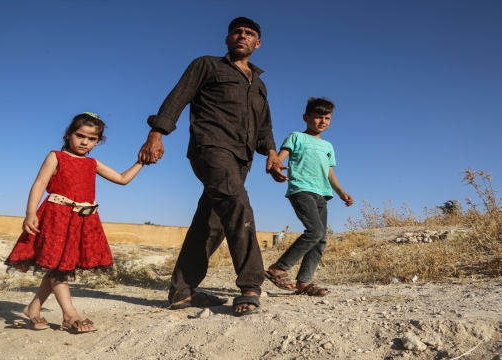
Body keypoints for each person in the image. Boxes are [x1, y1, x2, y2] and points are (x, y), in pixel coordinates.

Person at [137, 17, 286, 316]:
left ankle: (181, 291)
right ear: (228, 39)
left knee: (213, 221)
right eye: (236, 32)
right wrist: (156, 134)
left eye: (249, 33)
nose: (242, 36)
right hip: (211, 147)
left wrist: (271, 154)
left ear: (258, 43)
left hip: (242, 157)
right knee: (236, 202)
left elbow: (264, 126)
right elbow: (178, 97)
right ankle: (250, 285)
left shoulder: (259, 84)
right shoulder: (207, 65)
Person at [5, 112, 144, 333]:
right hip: (55, 218)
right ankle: (70, 316)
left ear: (98, 141)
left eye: (92, 139)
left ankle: (33, 308)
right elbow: (40, 184)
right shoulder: (56, 157)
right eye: (80, 135)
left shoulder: (92, 163)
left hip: (82, 221)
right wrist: (30, 212)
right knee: (59, 267)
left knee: (59, 265)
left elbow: (122, 179)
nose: (84, 142)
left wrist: (141, 162)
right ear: (69, 134)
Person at [265, 97, 354, 296]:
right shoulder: (296, 137)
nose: (323, 121)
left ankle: (303, 283)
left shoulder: (328, 146)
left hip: (322, 194)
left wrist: (342, 192)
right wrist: (275, 168)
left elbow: (330, 174)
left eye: (327, 118)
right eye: (318, 117)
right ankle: (278, 268)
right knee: (314, 232)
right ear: (306, 117)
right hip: (301, 189)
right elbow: (279, 158)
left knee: (321, 239)